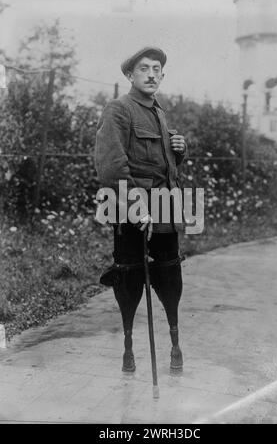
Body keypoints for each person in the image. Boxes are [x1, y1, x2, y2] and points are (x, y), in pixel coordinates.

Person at [94, 46, 187, 373]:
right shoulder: (118, 110)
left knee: (170, 272)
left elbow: (161, 167)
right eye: (144, 68)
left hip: (164, 209)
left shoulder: (159, 113)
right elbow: (111, 167)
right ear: (130, 75)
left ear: (162, 75)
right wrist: (137, 207)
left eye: (157, 68)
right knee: (129, 275)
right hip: (129, 210)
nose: (151, 74)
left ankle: (175, 344)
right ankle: (129, 346)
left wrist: (179, 150)